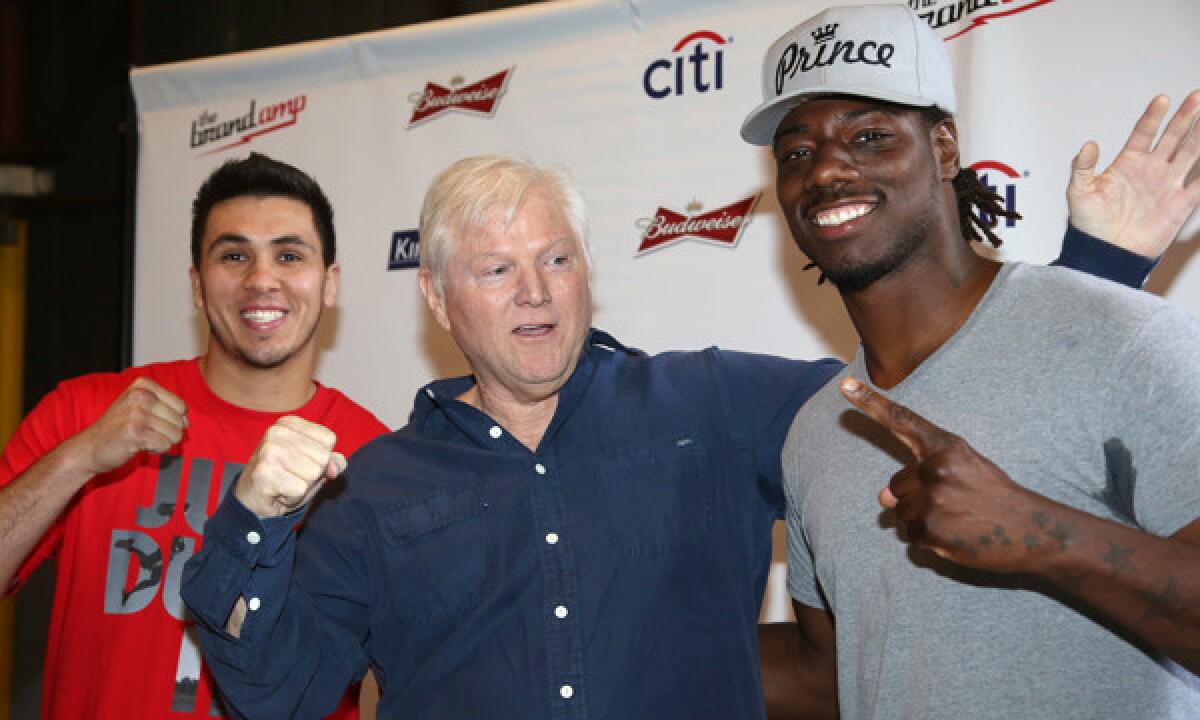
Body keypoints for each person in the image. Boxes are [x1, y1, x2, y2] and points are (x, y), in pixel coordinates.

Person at [183, 115, 1194, 718]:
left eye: (558, 260)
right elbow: (278, 695)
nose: (536, 291)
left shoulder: (711, 403)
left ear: (589, 277)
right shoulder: (372, 488)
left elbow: (933, 411)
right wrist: (255, 523)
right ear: (442, 302)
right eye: (497, 270)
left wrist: (1095, 271)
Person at [737, 4, 1200, 718]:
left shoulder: (1122, 337)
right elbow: (835, 676)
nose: (826, 168)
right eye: (796, 152)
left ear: (945, 149)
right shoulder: (817, 430)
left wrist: (1039, 533)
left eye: (869, 135)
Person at [0, 153, 388, 719]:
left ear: (329, 283)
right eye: (234, 255)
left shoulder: (372, 455)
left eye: (289, 254)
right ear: (198, 284)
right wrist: (79, 458)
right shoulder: (86, 412)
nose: (261, 279)